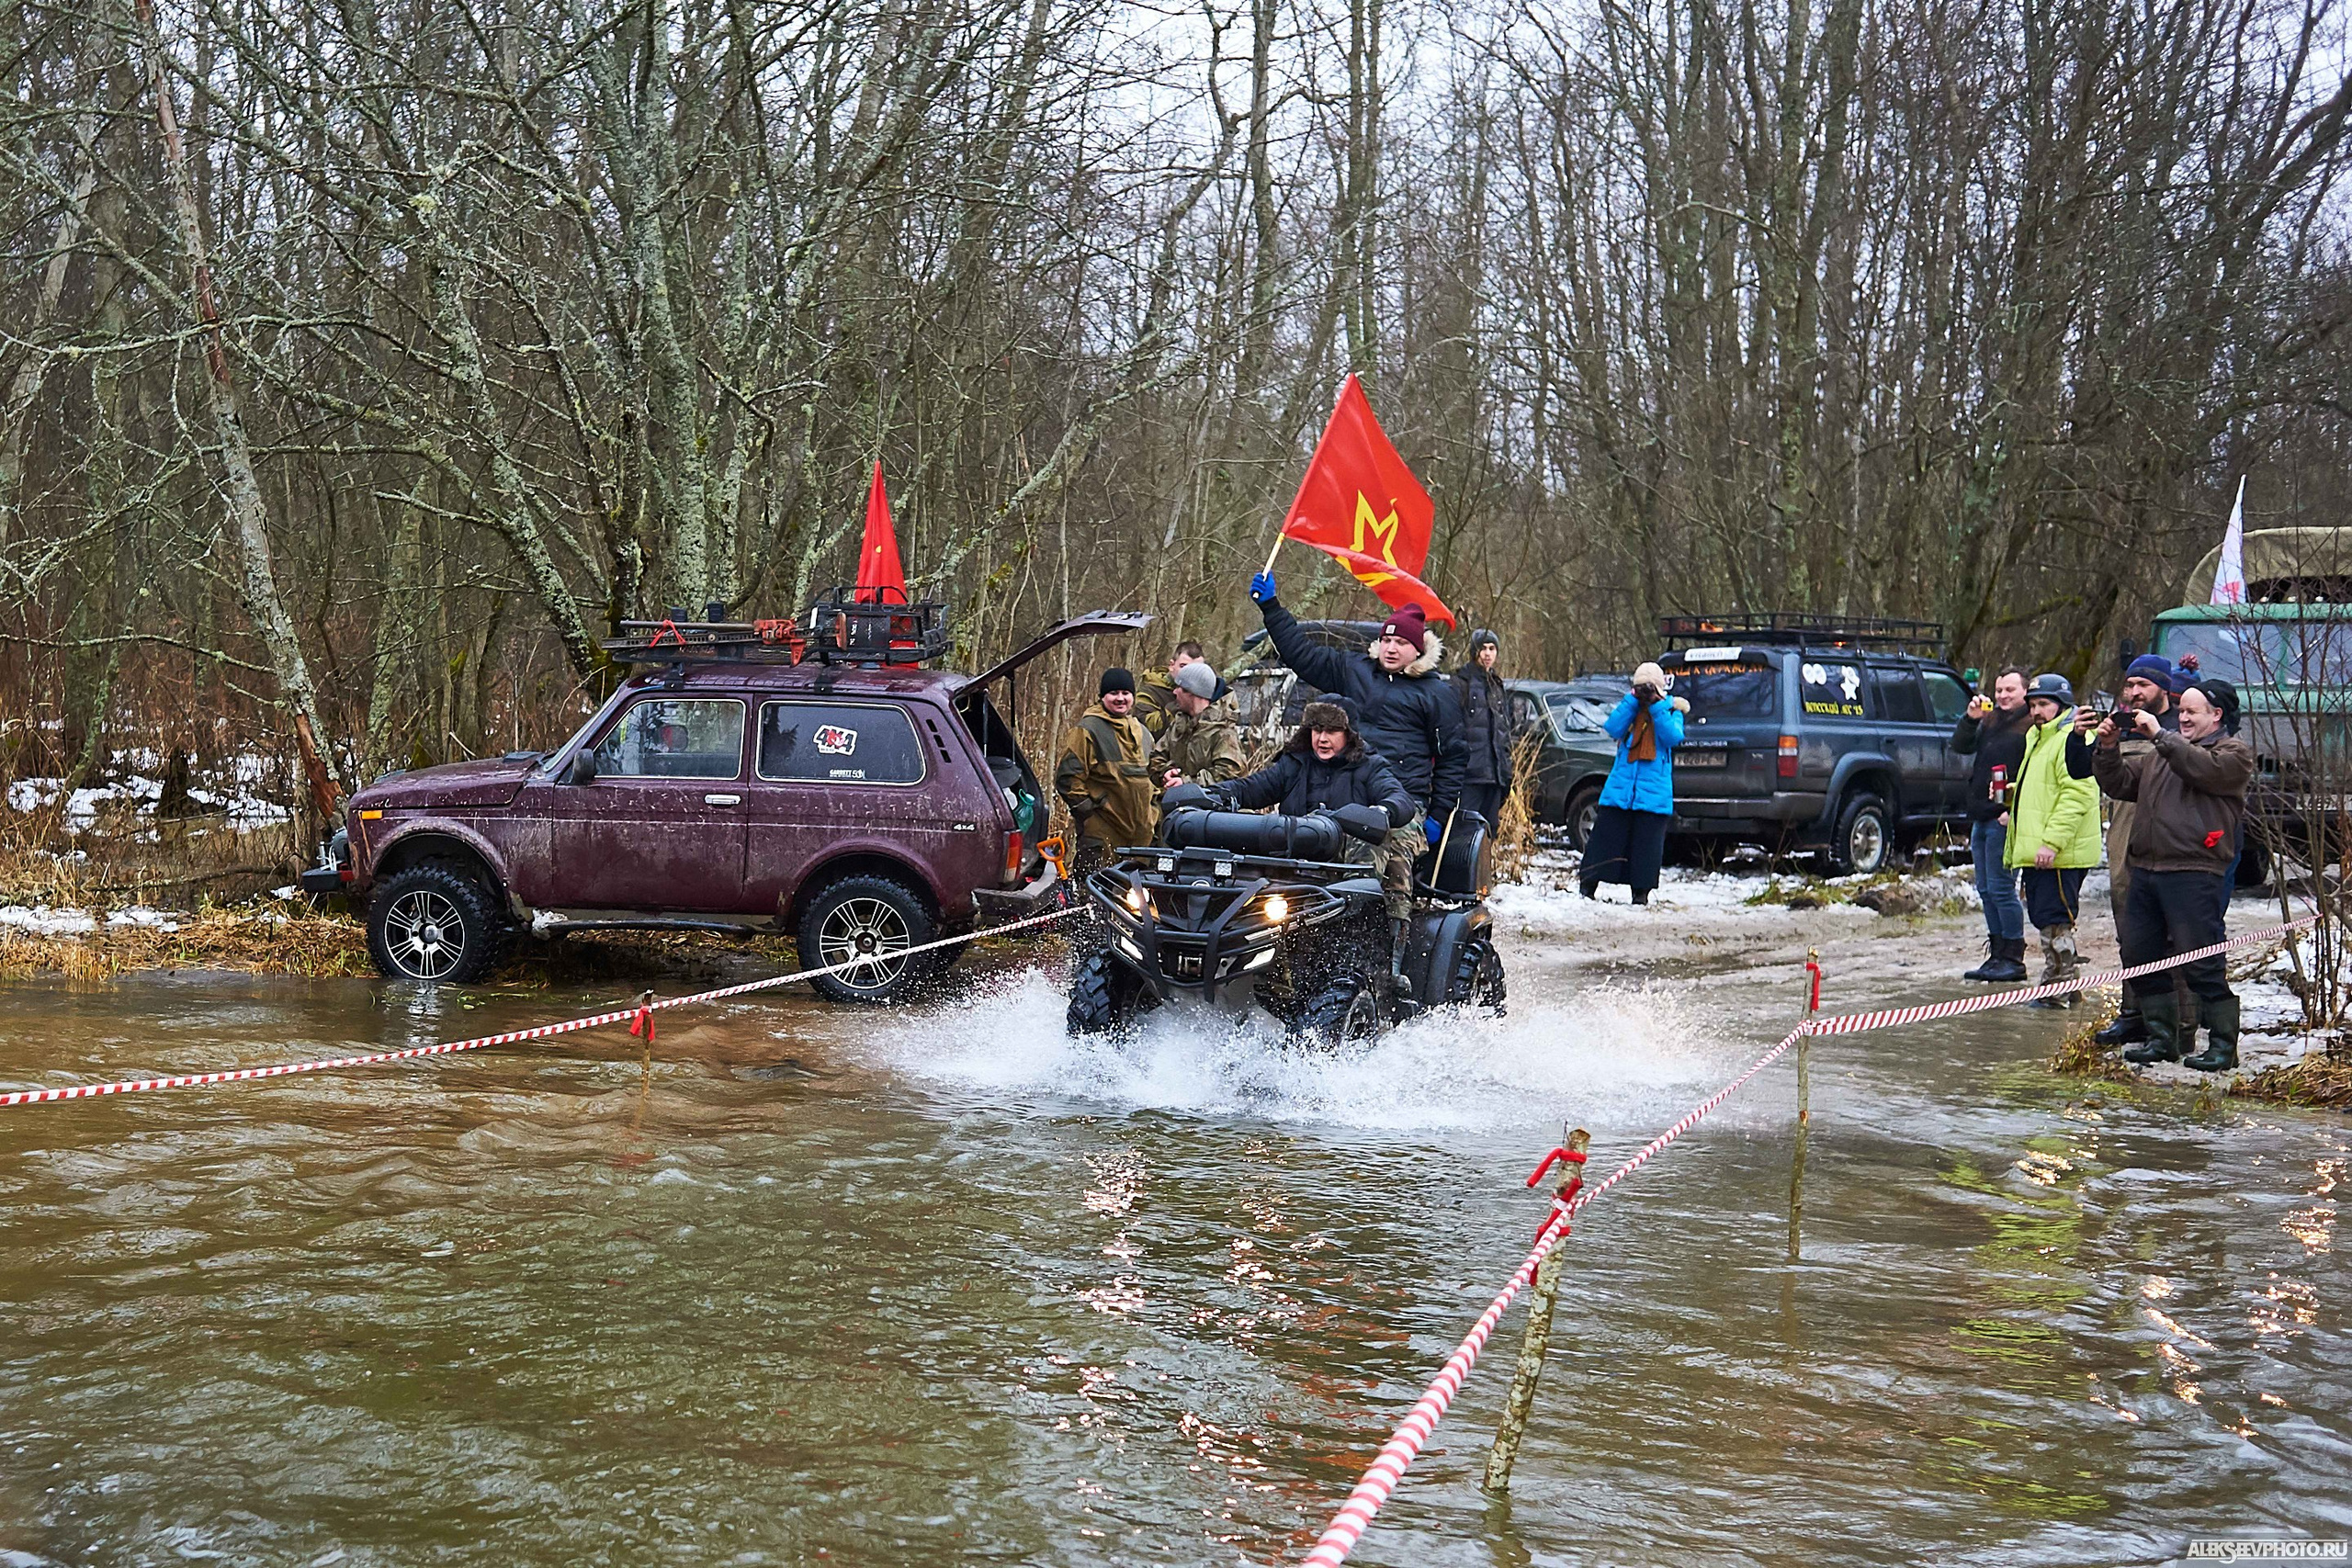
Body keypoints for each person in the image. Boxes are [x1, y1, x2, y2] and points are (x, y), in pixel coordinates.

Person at [1249, 571, 1467, 987]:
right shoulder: (1354, 671)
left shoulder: (1436, 695)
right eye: (1387, 640)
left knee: (1381, 855)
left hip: (1402, 805)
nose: (1391, 647)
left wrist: (1436, 814)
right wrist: (1271, 608)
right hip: (1343, 791)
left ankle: (1390, 961)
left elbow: (1455, 757)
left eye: (1401, 642)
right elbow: (1302, 654)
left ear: (1417, 649)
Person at [2091, 682, 2256, 1069]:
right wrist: (2107, 749)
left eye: (2192, 712)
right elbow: (2119, 784)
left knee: (2201, 962)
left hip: (2195, 872)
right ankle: (2162, 1039)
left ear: (2216, 716)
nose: (2182, 718)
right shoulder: (2161, 755)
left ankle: (2222, 1046)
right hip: (2146, 870)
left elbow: (2202, 769)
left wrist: (2161, 736)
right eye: (2181, 711)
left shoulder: (2233, 754)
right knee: (2140, 956)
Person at [2067, 654, 2179, 1043]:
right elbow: (2082, 770)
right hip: (2123, 841)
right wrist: (2081, 737)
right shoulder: (2118, 724)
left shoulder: (2179, 724)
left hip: (2169, 842)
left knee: (2172, 936)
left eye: (2142, 686)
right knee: (2130, 933)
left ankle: (2173, 1024)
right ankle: (2133, 1013)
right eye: (2129, 685)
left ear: (2163, 688)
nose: (2133, 693)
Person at [2005, 673, 2102, 1007]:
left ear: (2062, 705)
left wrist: (2052, 842)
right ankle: (2066, 989)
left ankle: (2056, 988)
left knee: (2056, 921)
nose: (2037, 711)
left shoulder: (2069, 739)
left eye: (2044, 704)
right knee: (2046, 917)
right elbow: (2044, 791)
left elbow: (2077, 795)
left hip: (2059, 853)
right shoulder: (2038, 737)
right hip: (2041, 850)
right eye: (2032, 705)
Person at [1579, 662, 1686, 906]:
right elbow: (1612, 728)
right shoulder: (1630, 709)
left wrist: (1657, 705)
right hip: (1620, 789)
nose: (1646, 694)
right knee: (1603, 840)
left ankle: (1641, 893)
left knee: (1645, 848)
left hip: (1653, 794)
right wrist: (1632, 700)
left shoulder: (1671, 711)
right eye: (1641, 688)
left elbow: (1672, 737)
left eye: (1649, 688)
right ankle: (1588, 886)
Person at [1951, 668, 2032, 981]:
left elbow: (2033, 772)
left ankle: (2013, 956)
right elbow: (1960, 745)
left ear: (2025, 691)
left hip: (2005, 815)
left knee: (2001, 887)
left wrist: (2015, 809)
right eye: (1999, 690)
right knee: (1985, 888)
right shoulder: (1990, 719)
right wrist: (1970, 719)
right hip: (1981, 813)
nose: (2003, 696)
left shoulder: (2031, 725)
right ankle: (1997, 953)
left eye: (2010, 689)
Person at [1054, 668, 1158, 877]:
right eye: (1114, 693)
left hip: (1141, 841)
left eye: (1126, 693)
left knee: (1137, 904)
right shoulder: (1088, 730)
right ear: (1102, 697)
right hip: (1102, 837)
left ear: (1133, 697)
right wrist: (1090, 814)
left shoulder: (1144, 734)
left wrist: (1154, 811)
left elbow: (1153, 777)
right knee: (1093, 898)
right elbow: (1068, 778)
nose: (1120, 699)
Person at [1152, 660, 1247, 795]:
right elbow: (1156, 757)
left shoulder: (1223, 730)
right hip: (1178, 809)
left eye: (1179, 687)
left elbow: (1228, 775)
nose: (1175, 692)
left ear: (1192, 692)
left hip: (1213, 812)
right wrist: (1166, 773)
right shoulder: (1178, 724)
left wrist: (1186, 784)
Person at [1451, 629, 1514, 829]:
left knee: (1489, 831)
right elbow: (1452, 730)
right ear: (1474, 651)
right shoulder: (1460, 683)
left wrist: (1506, 770)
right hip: (1469, 775)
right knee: (1465, 831)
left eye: (1492, 648)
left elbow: (1504, 733)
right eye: (1483, 648)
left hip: (1495, 776)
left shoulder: (1497, 686)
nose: (1487, 654)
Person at [1134, 641, 1215, 738]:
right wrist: (1178, 705)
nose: (1189, 673)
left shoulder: (1207, 693)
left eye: (1196, 668)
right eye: (1183, 666)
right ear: (1172, 665)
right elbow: (1144, 729)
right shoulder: (1150, 692)